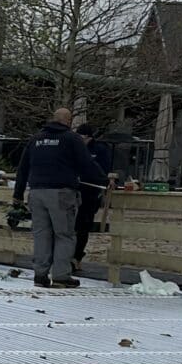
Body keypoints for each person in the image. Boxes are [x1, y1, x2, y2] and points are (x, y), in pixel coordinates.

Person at [13, 107, 108, 288]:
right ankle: (61, 275)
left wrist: (17, 195)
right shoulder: (71, 139)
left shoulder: (35, 139)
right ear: (69, 121)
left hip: (36, 192)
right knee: (64, 235)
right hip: (61, 193)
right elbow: (87, 164)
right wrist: (104, 181)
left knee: (41, 235)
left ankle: (40, 275)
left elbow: (23, 169)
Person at [73, 122, 114, 274]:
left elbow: (103, 170)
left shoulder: (100, 149)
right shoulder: (74, 148)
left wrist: (104, 180)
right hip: (74, 190)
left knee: (83, 226)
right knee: (71, 226)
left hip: (90, 192)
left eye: (81, 138)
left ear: (88, 137)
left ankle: (77, 257)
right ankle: (67, 256)